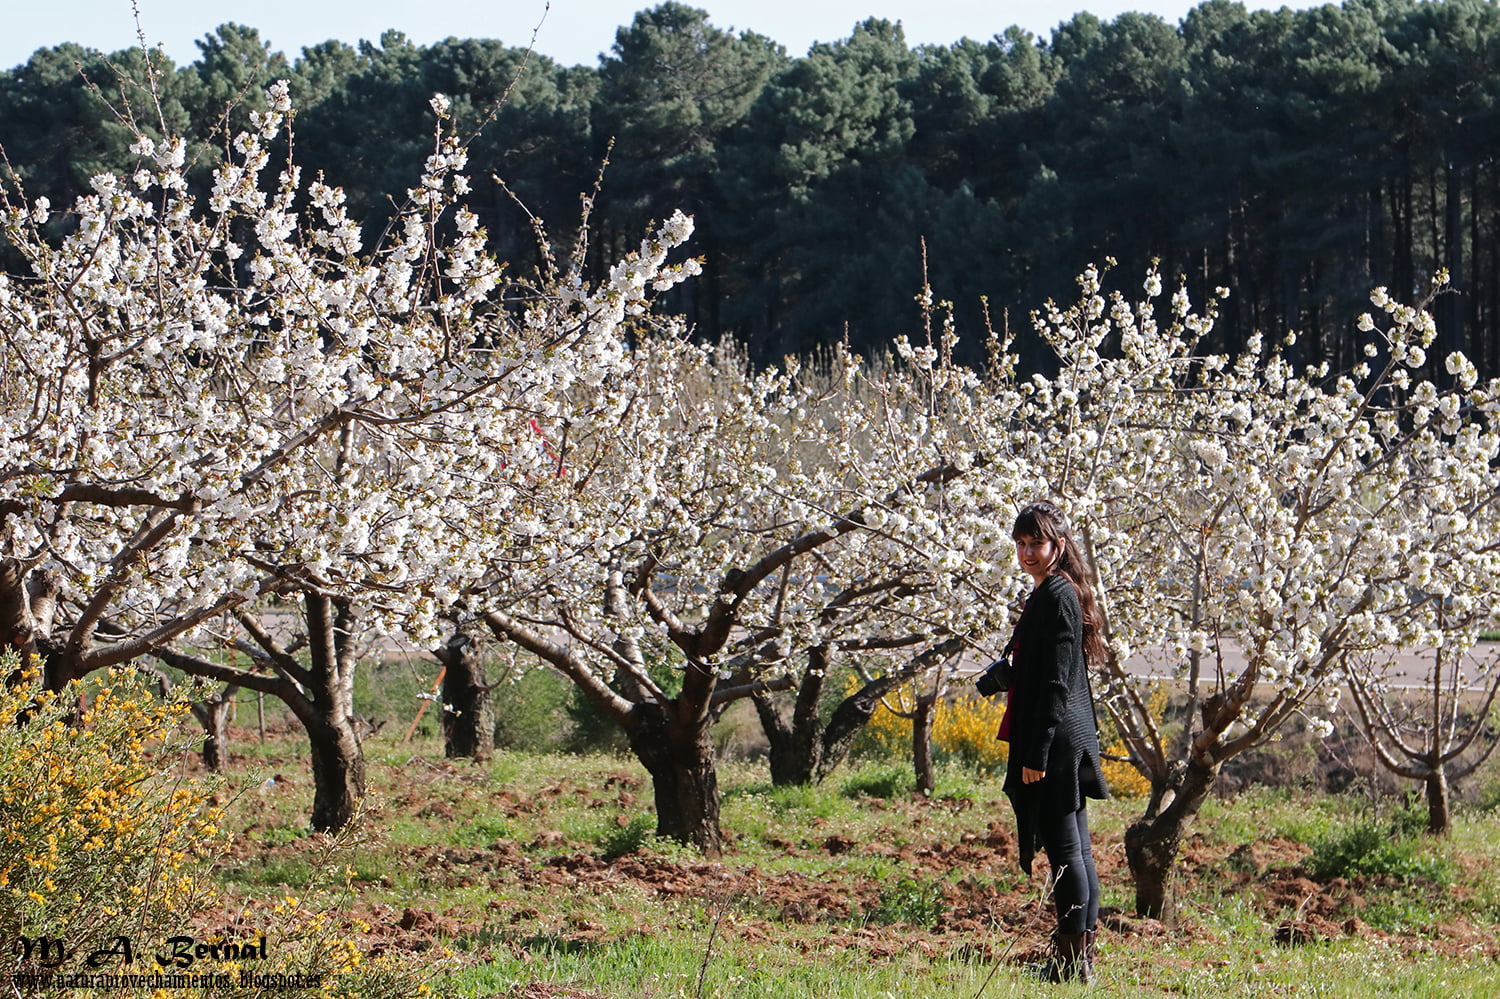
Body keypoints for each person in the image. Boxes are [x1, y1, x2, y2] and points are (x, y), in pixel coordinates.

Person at [976, 500, 1107, 982]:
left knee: (1066, 852)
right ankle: (1080, 958)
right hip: (1069, 734)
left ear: (1060, 546)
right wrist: (1002, 676)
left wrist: (1036, 752)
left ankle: (1073, 965)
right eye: (1022, 543)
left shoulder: (1055, 596)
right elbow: (1043, 666)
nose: (1028, 552)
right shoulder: (1057, 592)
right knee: (1079, 851)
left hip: (1053, 740)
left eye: (1038, 543)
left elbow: (1055, 683)